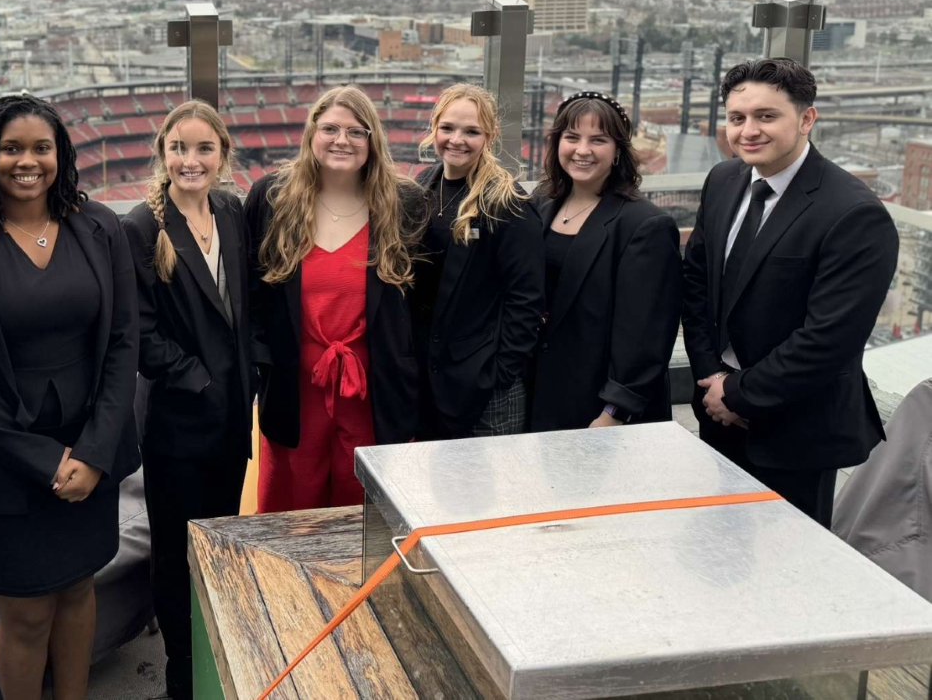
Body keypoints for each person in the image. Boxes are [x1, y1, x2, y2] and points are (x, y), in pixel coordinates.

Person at [0, 94, 139, 700]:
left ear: (60, 155)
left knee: (79, 590)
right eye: (10, 148)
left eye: (41, 148)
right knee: (24, 612)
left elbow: (123, 343)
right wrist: (45, 462)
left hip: (91, 448)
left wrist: (93, 453)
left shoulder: (100, 227)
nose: (27, 161)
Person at [681, 58, 897, 526]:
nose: (748, 131)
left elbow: (829, 339)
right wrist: (711, 378)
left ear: (806, 119)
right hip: (716, 412)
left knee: (789, 562)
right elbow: (696, 284)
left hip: (796, 430)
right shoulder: (723, 180)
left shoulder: (854, 213)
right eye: (737, 117)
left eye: (766, 116)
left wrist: (737, 393)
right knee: (712, 544)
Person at [122, 101, 259, 700]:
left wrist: (246, 379)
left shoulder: (231, 211)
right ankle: (181, 670)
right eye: (179, 148)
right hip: (178, 420)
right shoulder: (141, 226)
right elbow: (140, 332)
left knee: (219, 537)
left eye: (204, 148)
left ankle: (215, 650)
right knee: (176, 553)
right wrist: (197, 380)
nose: (190, 160)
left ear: (223, 155)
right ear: (163, 153)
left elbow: (244, 307)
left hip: (231, 415)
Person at [246, 85, 427, 513]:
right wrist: (263, 363)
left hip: (372, 391)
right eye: (330, 128)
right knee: (293, 511)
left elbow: (421, 303)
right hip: (295, 389)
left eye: (355, 131)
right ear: (312, 133)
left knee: (360, 511)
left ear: (372, 140)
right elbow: (252, 292)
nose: (342, 140)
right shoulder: (272, 197)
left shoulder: (404, 202)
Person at [529, 91, 681, 432]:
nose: (582, 150)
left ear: (617, 152)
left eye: (598, 140)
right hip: (543, 394)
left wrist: (615, 411)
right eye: (572, 137)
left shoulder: (645, 224)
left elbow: (646, 334)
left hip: (601, 408)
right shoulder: (540, 204)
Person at [413, 84, 544, 438]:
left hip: (486, 389)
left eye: (471, 131)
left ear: (490, 136)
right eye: (448, 128)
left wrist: (499, 372)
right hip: (432, 380)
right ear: (434, 128)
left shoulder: (507, 202)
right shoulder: (425, 185)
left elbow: (526, 299)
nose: (457, 140)